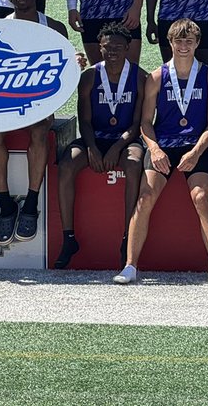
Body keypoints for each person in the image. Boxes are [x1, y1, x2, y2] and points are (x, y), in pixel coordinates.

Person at [114, 19, 208, 287]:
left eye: (189, 41)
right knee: (146, 195)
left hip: (195, 147)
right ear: (170, 43)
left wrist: (197, 152)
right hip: (162, 146)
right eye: (178, 41)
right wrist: (154, 148)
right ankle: (130, 265)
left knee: (201, 197)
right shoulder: (155, 78)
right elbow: (145, 123)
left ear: (197, 43)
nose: (183, 46)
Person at [0, 0, 73, 244]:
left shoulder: (55, 28)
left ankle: (31, 203)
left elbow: (63, 72)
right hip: (6, 100)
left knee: (39, 129)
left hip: (40, 101)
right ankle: (6, 204)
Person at [54, 22, 146, 270]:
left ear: (128, 48)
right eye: (107, 47)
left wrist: (116, 147)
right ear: (100, 48)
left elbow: (138, 124)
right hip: (94, 137)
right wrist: (93, 148)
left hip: (125, 139)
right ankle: (68, 237)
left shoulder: (139, 77)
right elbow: (83, 120)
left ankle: (127, 237)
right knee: (66, 163)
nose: (112, 51)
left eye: (118, 46)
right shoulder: (89, 77)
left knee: (135, 163)